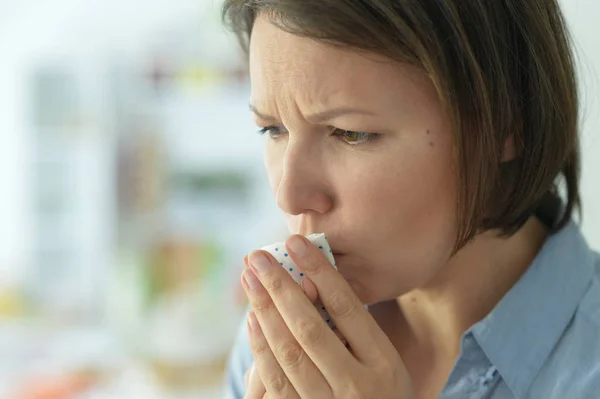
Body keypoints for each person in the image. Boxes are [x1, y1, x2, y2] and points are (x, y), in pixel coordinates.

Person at [221, 1, 600, 398]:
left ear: (506, 124)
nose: (289, 196)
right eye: (272, 129)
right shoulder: (283, 348)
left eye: (352, 133)